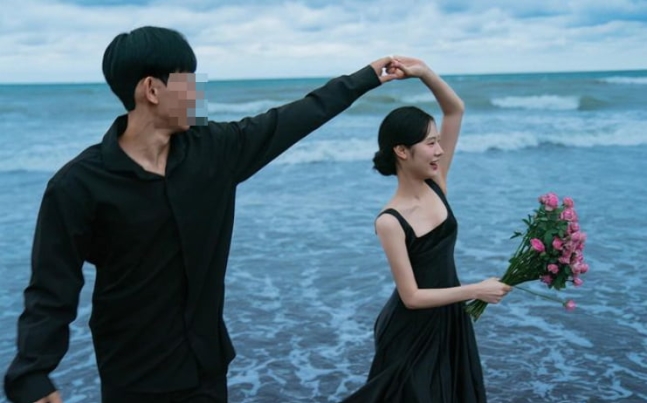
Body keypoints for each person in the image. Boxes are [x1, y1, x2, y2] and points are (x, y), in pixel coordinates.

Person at [3, 26, 405, 403]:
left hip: (206, 366)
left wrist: (367, 77)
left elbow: (296, 116)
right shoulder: (78, 185)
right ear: (152, 89)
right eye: (189, 81)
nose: (197, 94)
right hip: (134, 375)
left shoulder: (215, 152)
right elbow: (52, 287)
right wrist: (32, 374)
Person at [340, 57, 512, 403]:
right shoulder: (390, 221)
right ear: (402, 151)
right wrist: (476, 290)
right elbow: (412, 297)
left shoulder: (437, 184)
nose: (440, 150)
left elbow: (455, 110)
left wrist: (422, 73)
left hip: (450, 319)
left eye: (438, 141)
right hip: (410, 332)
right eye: (430, 143)